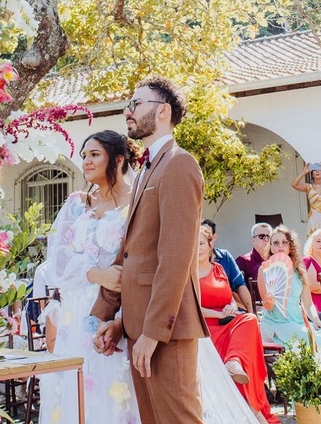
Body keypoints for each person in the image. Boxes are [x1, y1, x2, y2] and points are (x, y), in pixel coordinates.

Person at [41, 131, 258, 424]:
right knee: (77, 401)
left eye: (94, 155)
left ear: (118, 160)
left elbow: (156, 254)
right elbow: (57, 258)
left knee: (124, 396)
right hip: (77, 314)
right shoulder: (77, 204)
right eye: (84, 156)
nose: (86, 162)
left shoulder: (139, 201)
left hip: (124, 310)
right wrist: (98, 274)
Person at [91, 76, 208, 424]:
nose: (128, 111)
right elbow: (132, 252)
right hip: (139, 327)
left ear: (162, 111)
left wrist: (153, 332)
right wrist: (117, 319)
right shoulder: (145, 171)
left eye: (136, 103)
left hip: (165, 332)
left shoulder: (180, 164)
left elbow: (175, 258)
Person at [196, 228, 278, 424]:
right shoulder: (188, 273)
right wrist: (219, 314)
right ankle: (253, 409)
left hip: (228, 322)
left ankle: (233, 362)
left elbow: (230, 297)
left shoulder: (219, 269)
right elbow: (191, 308)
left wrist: (232, 307)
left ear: (210, 245)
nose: (197, 248)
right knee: (245, 351)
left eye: (201, 243)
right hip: (206, 327)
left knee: (249, 320)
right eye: (194, 244)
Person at [257, 226, 321, 355]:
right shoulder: (264, 270)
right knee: (310, 339)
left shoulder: (299, 271)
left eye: (284, 242)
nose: (280, 245)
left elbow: (308, 304)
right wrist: (269, 300)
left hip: (297, 320)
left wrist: (316, 319)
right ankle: (316, 373)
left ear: (290, 246)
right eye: (275, 243)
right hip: (276, 323)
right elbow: (268, 307)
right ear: (270, 247)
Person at [202, 219, 255, 312]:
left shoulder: (224, 257)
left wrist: (251, 312)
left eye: (207, 235)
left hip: (228, 309)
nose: (204, 238)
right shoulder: (191, 262)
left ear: (214, 237)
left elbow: (240, 284)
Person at [291, 163, 321, 234]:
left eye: (319, 170)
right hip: (314, 219)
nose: (317, 171)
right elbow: (294, 184)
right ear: (312, 174)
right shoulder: (308, 187)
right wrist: (304, 172)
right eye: (315, 170)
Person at [301, 229, 321, 323]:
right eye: (318, 241)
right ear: (312, 244)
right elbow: (312, 286)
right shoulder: (308, 261)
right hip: (314, 305)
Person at [235, 222, 272, 293]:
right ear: (253, 240)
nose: (266, 239)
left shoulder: (276, 260)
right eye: (261, 236)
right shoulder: (243, 261)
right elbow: (235, 290)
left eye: (269, 236)